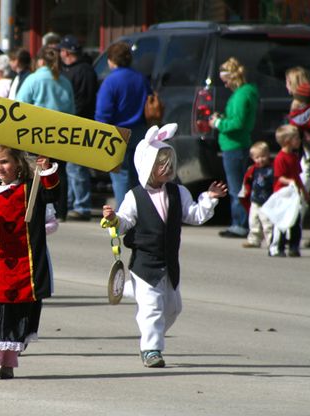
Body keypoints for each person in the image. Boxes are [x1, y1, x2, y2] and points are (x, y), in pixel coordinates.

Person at [101, 123, 227, 368]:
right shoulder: (134, 196)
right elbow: (124, 222)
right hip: (145, 264)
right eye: (162, 164)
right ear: (147, 166)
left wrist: (209, 199)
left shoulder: (178, 192)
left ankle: (133, 292)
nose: (168, 168)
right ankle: (150, 349)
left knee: (173, 308)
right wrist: (113, 219)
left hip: (169, 264)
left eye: (170, 162)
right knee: (152, 309)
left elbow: (194, 215)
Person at [0, 145, 59, 379]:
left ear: (18, 163)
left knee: (20, 310)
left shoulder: (33, 188)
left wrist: (46, 169)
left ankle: (9, 361)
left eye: (5, 162)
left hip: (27, 261)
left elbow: (53, 193)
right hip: (1, 261)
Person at [17, 45, 75, 222]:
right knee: (60, 171)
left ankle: (38, 207)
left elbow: (19, 105)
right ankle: (61, 210)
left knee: (35, 169)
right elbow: (72, 108)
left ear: (40, 61)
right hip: (61, 132)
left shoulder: (32, 79)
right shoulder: (64, 81)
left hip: (36, 132)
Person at [95, 41, 152, 208]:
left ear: (111, 60)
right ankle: (140, 212)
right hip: (140, 131)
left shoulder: (110, 81)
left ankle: (124, 213)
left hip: (117, 132)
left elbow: (103, 112)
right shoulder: (140, 78)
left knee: (120, 176)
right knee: (138, 175)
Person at [209, 57, 259, 239]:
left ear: (233, 78)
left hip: (234, 146)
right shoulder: (246, 93)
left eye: (226, 81)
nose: (225, 85)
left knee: (236, 187)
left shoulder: (241, 95)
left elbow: (237, 122)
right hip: (238, 144)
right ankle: (241, 223)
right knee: (239, 186)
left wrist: (218, 122)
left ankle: (240, 224)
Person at [59, 35, 98, 221]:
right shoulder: (87, 69)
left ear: (66, 52)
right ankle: (74, 202)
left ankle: (81, 206)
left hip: (77, 123)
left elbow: (81, 100)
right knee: (72, 168)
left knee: (76, 168)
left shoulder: (77, 72)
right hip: (82, 121)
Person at [269, 125, 308, 257]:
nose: (299, 140)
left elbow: (297, 176)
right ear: (287, 141)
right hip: (282, 194)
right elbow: (279, 177)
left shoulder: (294, 157)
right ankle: (276, 248)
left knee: (295, 221)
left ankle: (293, 247)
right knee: (281, 221)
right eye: (296, 138)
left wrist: (304, 191)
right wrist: (289, 181)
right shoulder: (280, 157)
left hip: (294, 195)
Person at [239, 141, 274, 249]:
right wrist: (245, 191)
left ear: (268, 155)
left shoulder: (272, 169)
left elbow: (276, 182)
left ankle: (271, 241)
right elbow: (247, 181)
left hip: (268, 200)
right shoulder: (253, 169)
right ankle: (254, 240)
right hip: (255, 199)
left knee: (267, 222)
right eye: (257, 157)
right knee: (253, 221)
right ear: (253, 158)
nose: (260, 159)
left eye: (263, 156)